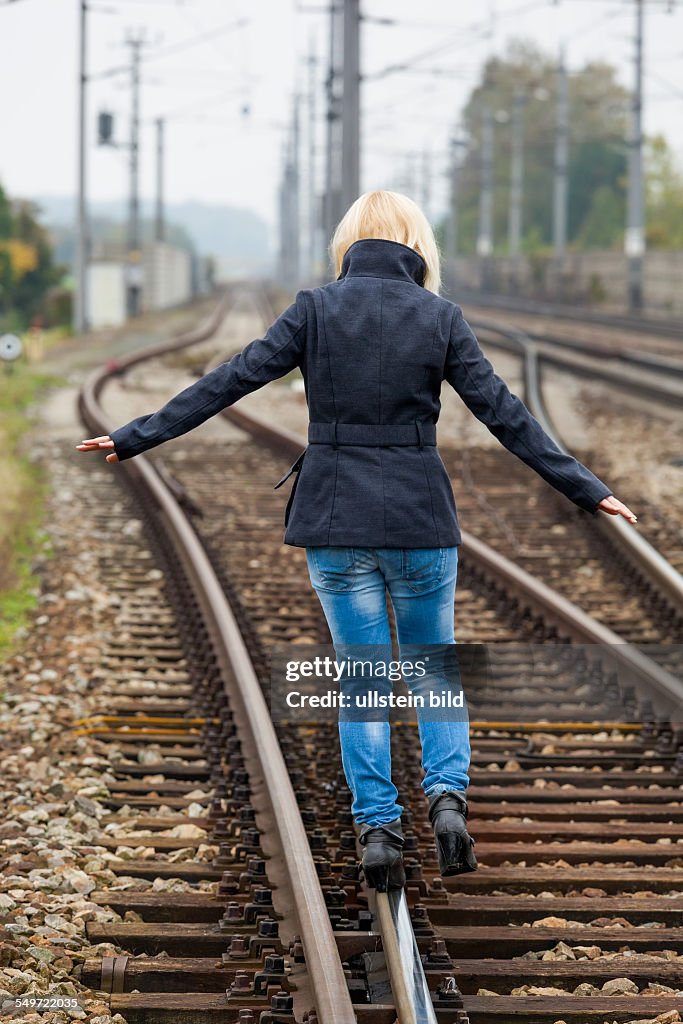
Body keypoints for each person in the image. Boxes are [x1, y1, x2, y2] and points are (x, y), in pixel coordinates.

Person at [77, 189, 637, 892]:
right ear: (415, 244)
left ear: (350, 243)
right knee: (433, 671)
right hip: (417, 522)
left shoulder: (315, 308)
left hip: (336, 523)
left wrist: (136, 435)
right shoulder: (439, 317)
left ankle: (377, 828)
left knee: (363, 677)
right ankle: (446, 802)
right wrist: (586, 485)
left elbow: (231, 379)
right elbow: (503, 412)